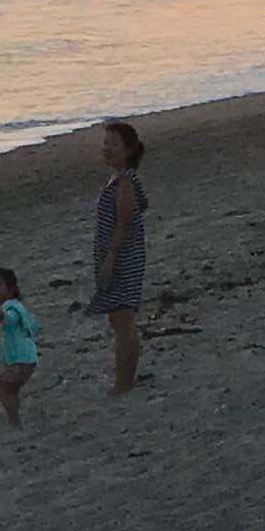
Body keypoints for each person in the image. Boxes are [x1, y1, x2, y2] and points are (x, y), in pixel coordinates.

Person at [90, 120, 149, 393]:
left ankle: (124, 383)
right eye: (106, 143)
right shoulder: (117, 179)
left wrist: (110, 260)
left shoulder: (125, 181)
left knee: (123, 320)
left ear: (128, 150)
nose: (107, 149)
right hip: (117, 255)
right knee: (118, 319)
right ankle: (124, 379)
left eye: (114, 144)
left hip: (124, 258)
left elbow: (124, 224)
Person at [0, 266, 40, 427]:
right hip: (24, 358)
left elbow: (12, 319)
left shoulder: (11, 307)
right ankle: (14, 419)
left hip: (20, 359)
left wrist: (4, 317)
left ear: (10, 288)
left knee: (4, 390)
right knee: (10, 390)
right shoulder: (11, 306)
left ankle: (14, 422)